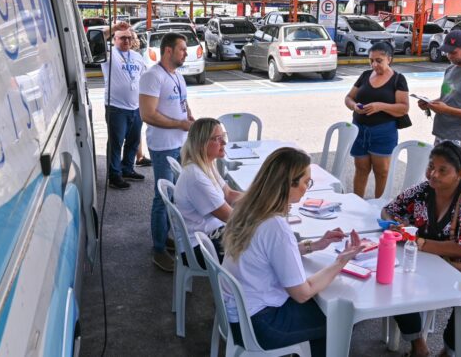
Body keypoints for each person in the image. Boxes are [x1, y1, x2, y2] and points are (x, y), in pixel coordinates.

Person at [222, 147, 365, 356]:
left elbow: (266, 253)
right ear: (289, 183)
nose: (307, 187)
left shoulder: (249, 207)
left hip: (240, 313)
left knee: (327, 312)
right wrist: (340, 262)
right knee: (340, 319)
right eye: (306, 182)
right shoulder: (275, 226)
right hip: (261, 324)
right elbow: (302, 293)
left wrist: (314, 245)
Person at [381, 142, 461, 357]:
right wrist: (397, 224)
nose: (433, 174)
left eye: (443, 170)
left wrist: (419, 242)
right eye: (431, 166)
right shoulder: (425, 190)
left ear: (460, 173)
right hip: (439, 266)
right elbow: (390, 209)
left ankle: (447, 354)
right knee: (395, 290)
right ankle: (418, 346)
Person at [140, 32, 194, 272]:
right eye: (182, 49)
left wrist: (188, 117)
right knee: (162, 199)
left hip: (180, 142)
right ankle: (158, 249)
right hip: (163, 146)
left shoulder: (177, 75)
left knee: (176, 196)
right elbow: (148, 114)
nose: (186, 53)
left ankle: (165, 237)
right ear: (168, 51)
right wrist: (179, 124)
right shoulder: (152, 76)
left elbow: (183, 101)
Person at [174, 118, 242, 266]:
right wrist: (264, 213)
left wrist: (261, 198)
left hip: (210, 234)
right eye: (218, 139)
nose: (224, 142)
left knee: (262, 240)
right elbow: (231, 217)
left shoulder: (206, 164)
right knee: (260, 249)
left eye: (224, 136)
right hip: (198, 247)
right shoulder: (196, 178)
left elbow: (229, 194)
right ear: (202, 143)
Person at [344, 42, 409, 198]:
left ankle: (379, 207)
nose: (374, 64)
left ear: (389, 59)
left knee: (381, 172)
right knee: (361, 169)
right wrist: (354, 106)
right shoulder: (365, 75)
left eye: (378, 60)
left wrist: (380, 106)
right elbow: (348, 98)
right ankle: (357, 202)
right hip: (359, 129)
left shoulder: (398, 79)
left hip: (383, 131)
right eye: (371, 60)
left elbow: (404, 108)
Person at [102, 23, 146, 190]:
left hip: (136, 107)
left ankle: (127, 169)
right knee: (116, 143)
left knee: (133, 141)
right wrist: (113, 28)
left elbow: (143, 79)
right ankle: (114, 175)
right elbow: (93, 40)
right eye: (122, 38)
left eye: (129, 37)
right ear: (114, 39)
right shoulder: (108, 55)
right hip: (116, 107)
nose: (126, 41)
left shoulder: (137, 57)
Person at [128, 29, 152, 167]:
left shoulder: (137, 57)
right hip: (125, 103)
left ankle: (140, 156)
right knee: (128, 134)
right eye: (133, 38)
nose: (133, 40)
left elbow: (145, 74)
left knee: (137, 131)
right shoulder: (117, 55)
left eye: (133, 38)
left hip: (137, 101)